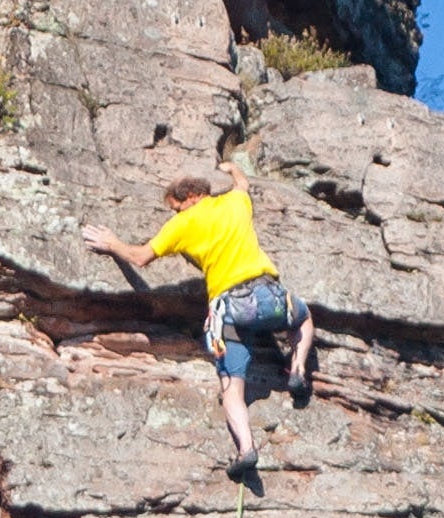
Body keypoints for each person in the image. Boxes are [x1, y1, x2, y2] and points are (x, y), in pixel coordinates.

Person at [81, 154, 320, 477]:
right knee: (302, 318)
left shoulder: (182, 224)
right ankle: (298, 369)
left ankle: (246, 449)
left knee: (231, 386)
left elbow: (139, 258)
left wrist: (111, 243)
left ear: (190, 198)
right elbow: (242, 184)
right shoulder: (236, 203)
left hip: (230, 312)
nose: (175, 213)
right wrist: (232, 168)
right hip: (266, 297)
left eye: (176, 207)